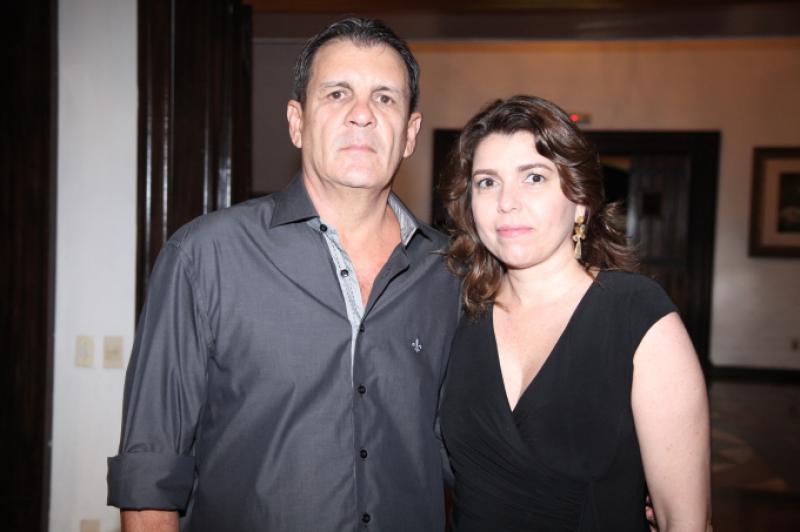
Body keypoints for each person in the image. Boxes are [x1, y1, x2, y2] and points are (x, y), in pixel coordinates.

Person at [107, 18, 461, 531]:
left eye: (385, 98)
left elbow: (472, 457)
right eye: (337, 94)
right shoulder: (205, 256)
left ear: (409, 133)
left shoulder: (452, 273)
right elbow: (150, 474)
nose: (362, 114)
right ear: (297, 122)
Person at [438, 95, 711, 531]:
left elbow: (684, 521)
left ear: (580, 200)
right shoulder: (456, 310)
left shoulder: (636, 315)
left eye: (534, 177)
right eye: (487, 182)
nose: (507, 202)